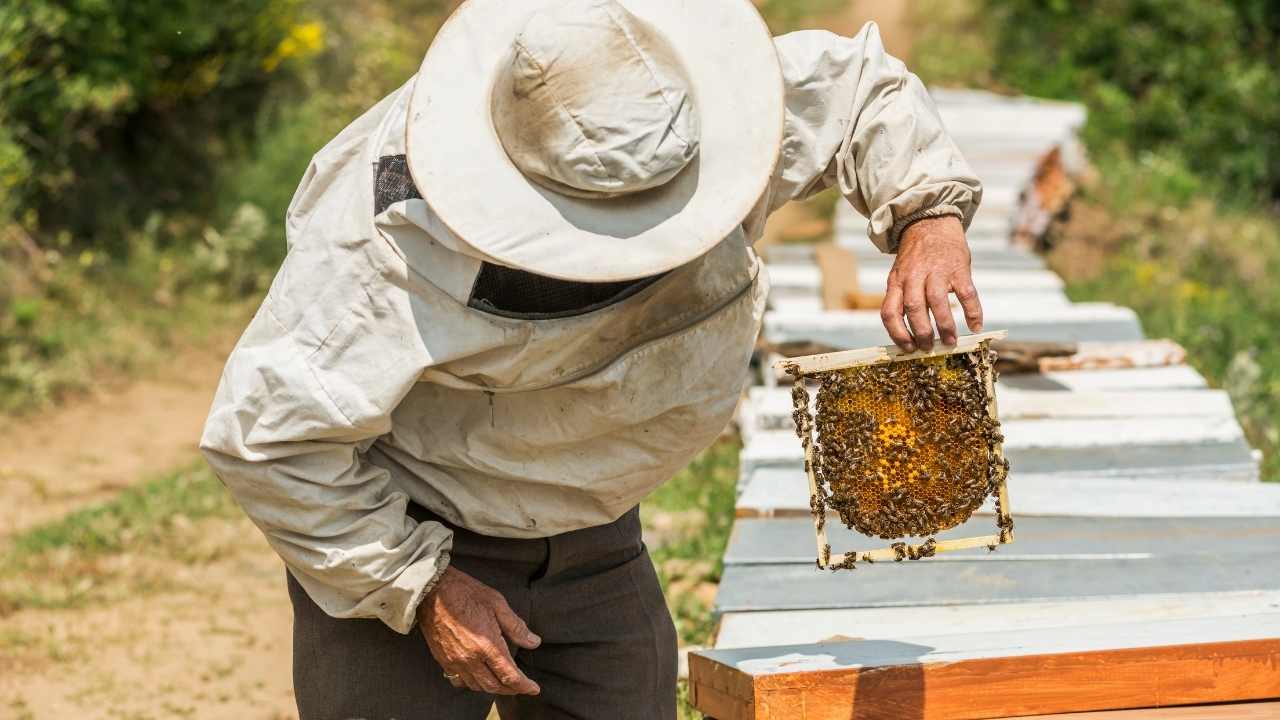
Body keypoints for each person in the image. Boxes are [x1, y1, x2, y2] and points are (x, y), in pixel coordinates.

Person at [199, 0, 984, 717]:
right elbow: (269, 439)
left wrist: (929, 218)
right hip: (417, 527)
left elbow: (858, 93)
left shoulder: (707, 102)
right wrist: (420, 587)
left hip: (601, 542)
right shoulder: (375, 242)